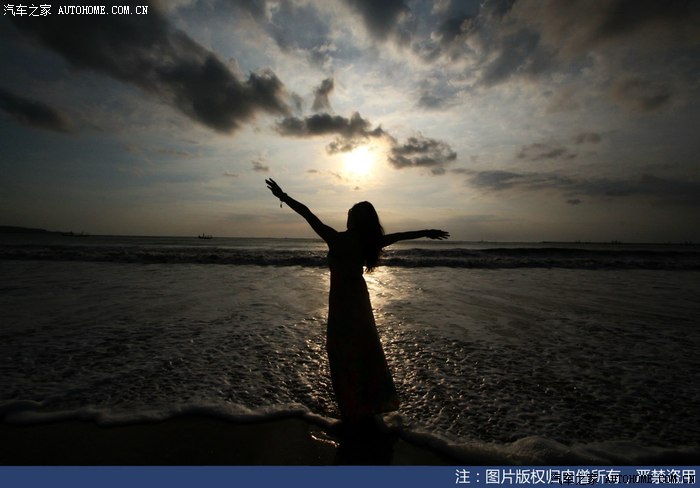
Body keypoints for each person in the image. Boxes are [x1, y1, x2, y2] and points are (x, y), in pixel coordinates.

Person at [265, 178, 449, 427]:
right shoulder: (369, 242)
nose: (347, 216)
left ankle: (352, 408)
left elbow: (307, 214)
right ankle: (370, 404)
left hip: (342, 303)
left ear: (354, 220)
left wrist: (283, 196)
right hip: (359, 300)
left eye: (350, 214)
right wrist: (426, 232)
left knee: (342, 351)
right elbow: (399, 236)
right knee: (365, 349)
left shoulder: (335, 238)